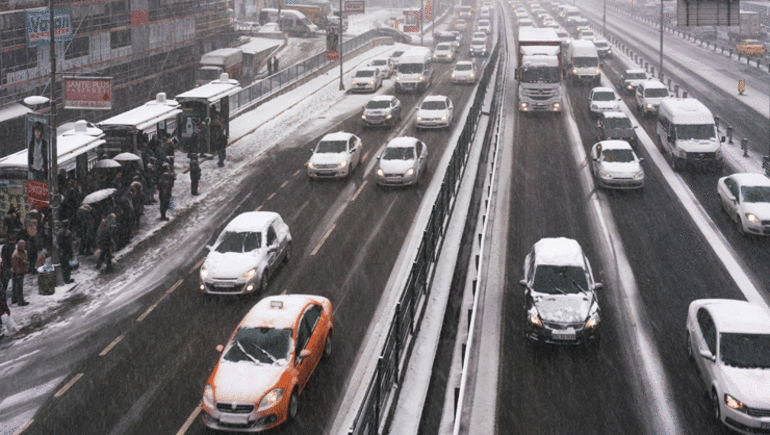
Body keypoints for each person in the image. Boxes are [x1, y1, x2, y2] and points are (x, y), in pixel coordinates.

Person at [11, 240, 29, 306]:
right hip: (18, 273)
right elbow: (16, 265)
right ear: (19, 246)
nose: (23, 247)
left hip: (19, 272)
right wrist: (18, 274)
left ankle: (14, 299)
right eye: (22, 245)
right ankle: (20, 301)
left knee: (16, 286)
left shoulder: (22, 252)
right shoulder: (16, 254)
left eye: (24, 245)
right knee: (19, 287)